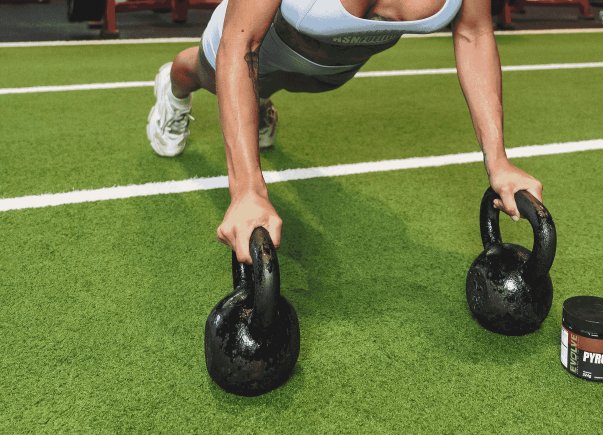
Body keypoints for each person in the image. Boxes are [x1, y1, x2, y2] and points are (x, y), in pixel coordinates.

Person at [147, 0, 544, 263]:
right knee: (200, 73)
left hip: (330, 71)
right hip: (247, 46)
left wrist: (499, 161)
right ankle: (174, 88)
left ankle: (257, 101)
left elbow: (474, 33)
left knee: (272, 84)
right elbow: (240, 44)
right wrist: (247, 191)